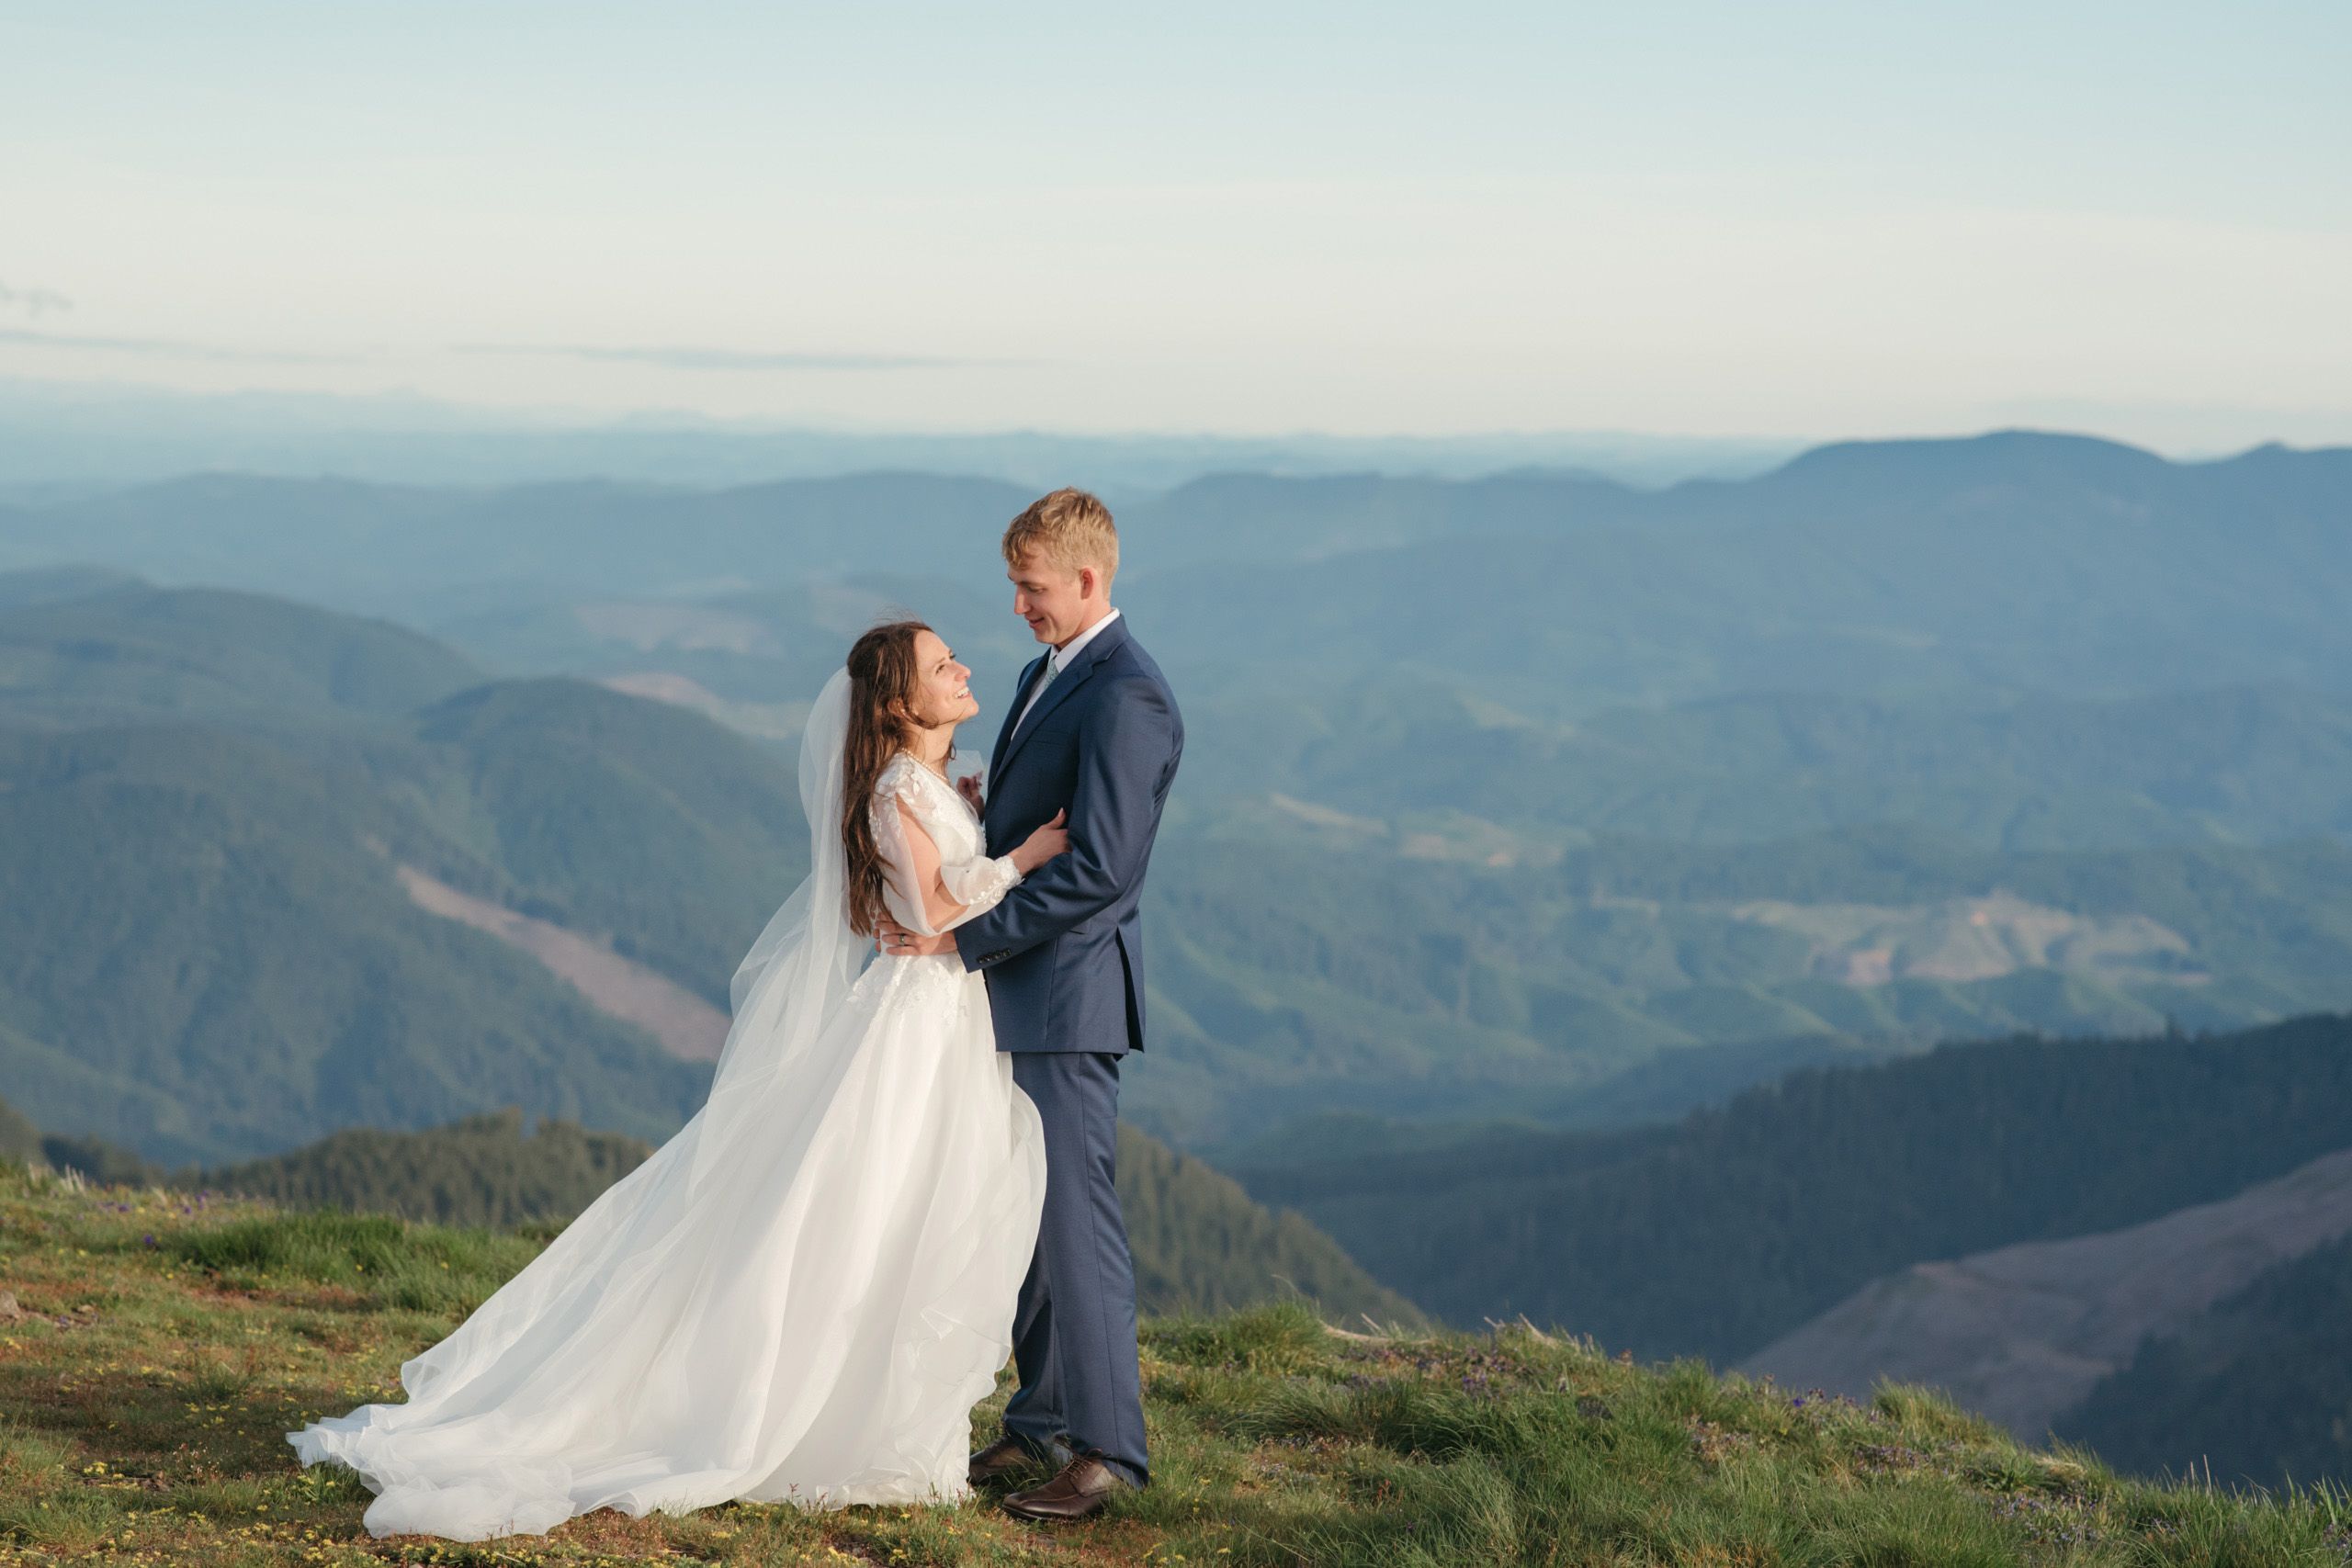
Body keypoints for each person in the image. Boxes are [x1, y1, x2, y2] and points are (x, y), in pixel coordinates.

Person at [288, 620, 1069, 1541]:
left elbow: (937, 890)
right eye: (942, 666)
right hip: (914, 1023)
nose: (963, 667)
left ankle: (891, 1421)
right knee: (874, 1212)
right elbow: (934, 910)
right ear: (899, 702)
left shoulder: (930, 780)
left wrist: (972, 815)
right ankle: (832, 1419)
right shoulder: (896, 788)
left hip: (946, 1016)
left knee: (912, 1212)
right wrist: (1023, 858)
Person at [877, 487, 1183, 1522]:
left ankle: (1107, 1455)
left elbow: (1097, 869)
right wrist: (976, 823)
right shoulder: (1043, 672)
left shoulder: (1127, 695)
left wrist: (958, 937)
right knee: (1025, 1218)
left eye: (1031, 587)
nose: (1016, 606)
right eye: (1015, 586)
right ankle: (1041, 1425)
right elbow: (1040, 817)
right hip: (1013, 997)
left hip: (1064, 1000)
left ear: (1088, 578)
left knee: (1074, 1225)